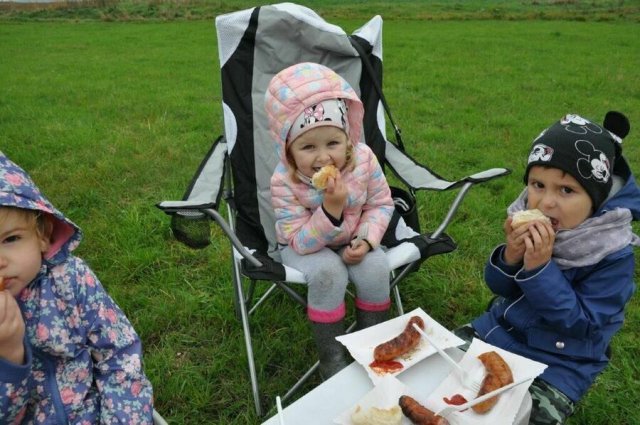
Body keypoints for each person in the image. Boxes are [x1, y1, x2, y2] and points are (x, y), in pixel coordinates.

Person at [455, 112, 639, 424]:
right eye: (538, 185)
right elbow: (500, 287)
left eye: (566, 190)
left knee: (520, 417)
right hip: (500, 330)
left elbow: (582, 324)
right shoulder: (531, 220)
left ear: (595, 200)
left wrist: (539, 269)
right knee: (434, 368)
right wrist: (511, 257)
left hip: (561, 362)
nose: (545, 203)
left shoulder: (611, 253)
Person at [0, 152, 154, 424]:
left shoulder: (71, 280)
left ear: (43, 236)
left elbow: (119, 353)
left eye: (10, 239)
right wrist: (9, 358)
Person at [264, 62, 395, 378]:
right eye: (308, 146)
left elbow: (380, 204)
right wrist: (331, 211)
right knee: (328, 272)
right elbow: (298, 239)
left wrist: (365, 239)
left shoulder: (363, 159)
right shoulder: (284, 180)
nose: (323, 157)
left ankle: (371, 345)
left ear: (348, 138)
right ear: (289, 149)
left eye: (333, 143)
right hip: (304, 248)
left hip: (353, 237)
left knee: (377, 266)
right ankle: (332, 358)